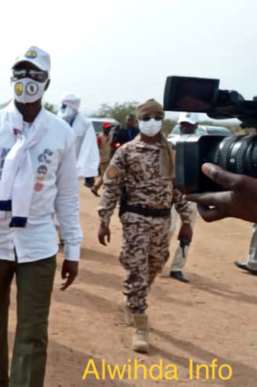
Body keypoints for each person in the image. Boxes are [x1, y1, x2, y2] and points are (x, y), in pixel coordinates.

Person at [0, 46, 82, 386]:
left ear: (47, 82)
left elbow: (68, 196)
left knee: (33, 328)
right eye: (20, 73)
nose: (27, 81)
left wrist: (72, 249)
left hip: (38, 244)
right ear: (11, 79)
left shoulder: (61, 133)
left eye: (35, 75)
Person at [97, 99, 193, 354]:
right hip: (135, 219)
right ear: (140, 121)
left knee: (155, 264)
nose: (152, 122)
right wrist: (104, 219)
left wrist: (186, 221)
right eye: (147, 117)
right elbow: (111, 186)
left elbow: (177, 190)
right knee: (138, 269)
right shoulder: (127, 151)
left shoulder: (170, 151)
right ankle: (141, 325)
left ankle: (131, 298)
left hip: (162, 219)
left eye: (157, 117)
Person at [166, 113, 199, 283]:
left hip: (191, 195)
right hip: (172, 193)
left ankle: (177, 268)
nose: (185, 127)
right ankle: (159, 259)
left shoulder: (201, 146)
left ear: (196, 125)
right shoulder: (171, 144)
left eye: (189, 125)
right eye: (182, 124)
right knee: (169, 228)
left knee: (186, 232)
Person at [58, 93, 100, 187]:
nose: (62, 108)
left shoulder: (85, 124)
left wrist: (88, 174)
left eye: (64, 106)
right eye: (61, 105)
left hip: (72, 167)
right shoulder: (55, 121)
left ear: (72, 107)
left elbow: (89, 148)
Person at [90, 122, 114, 196]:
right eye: (107, 127)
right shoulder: (99, 137)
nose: (109, 129)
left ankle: (95, 188)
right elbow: (96, 148)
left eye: (109, 127)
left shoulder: (111, 136)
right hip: (102, 159)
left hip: (109, 158)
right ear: (103, 128)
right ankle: (105, 191)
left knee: (108, 175)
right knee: (105, 176)